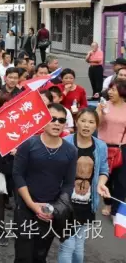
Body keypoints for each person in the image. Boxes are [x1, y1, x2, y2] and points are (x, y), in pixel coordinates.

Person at [12, 103, 77, 263]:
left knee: (40, 256)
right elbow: (17, 174)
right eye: (52, 118)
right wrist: (31, 204)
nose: (57, 123)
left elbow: (69, 184)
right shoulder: (29, 144)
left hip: (50, 212)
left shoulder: (71, 151)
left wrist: (55, 209)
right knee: (23, 257)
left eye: (61, 120)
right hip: (25, 209)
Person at [58, 108, 110, 263]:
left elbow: (103, 170)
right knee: (67, 246)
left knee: (79, 245)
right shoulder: (66, 142)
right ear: (76, 122)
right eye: (83, 121)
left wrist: (101, 184)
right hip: (66, 203)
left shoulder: (100, 146)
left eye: (91, 122)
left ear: (96, 125)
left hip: (87, 203)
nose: (86, 125)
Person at [96, 79, 126, 217]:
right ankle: (108, 203)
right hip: (103, 146)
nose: (110, 92)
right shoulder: (103, 105)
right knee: (105, 178)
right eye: (110, 89)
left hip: (122, 147)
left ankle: (116, 211)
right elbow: (96, 124)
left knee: (121, 181)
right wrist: (100, 112)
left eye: (114, 90)